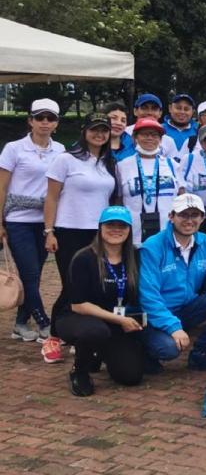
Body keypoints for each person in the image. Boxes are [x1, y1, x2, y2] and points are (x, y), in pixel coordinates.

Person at [43, 114, 121, 363]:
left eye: (104, 130)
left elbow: (112, 200)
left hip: (98, 233)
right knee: (71, 285)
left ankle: (84, 335)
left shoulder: (109, 163)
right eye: (95, 129)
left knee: (94, 286)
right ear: (85, 131)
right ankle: (54, 336)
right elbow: (51, 197)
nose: (100, 134)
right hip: (69, 230)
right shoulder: (66, 159)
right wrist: (49, 231)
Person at [138, 193, 206, 372]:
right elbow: (148, 296)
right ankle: (143, 350)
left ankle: (200, 354)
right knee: (168, 348)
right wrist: (173, 327)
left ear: (202, 218)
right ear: (171, 217)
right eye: (183, 215)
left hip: (187, 308)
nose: (189, 220)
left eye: (194, 215)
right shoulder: (152, 246)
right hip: (155, 314)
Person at [52, 206, 145, 396]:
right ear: (100, 227)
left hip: (112, 319)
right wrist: (119, 320)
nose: (116, 230)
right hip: (76, 316)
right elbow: (78, 305)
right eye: (110, 225)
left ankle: (98, 352)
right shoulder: (84, 258)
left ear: (129, 229)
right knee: (95, 330)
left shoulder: (134, 256)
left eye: (122, 225)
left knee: (131, 376)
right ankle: (80, 370)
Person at [0, 99, 65, 341]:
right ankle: (44, 322)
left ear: (56, 123)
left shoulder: (60, 151)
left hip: (46, 221)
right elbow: (2, 187)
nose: (45, 122)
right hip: (18, 219)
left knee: (35, 273)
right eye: (40, 117)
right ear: (30, 121)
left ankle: (19, 323)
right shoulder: (14, 149)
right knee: (29, 273)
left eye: (50, 118)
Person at [117, 118, 181, 247]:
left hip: (168, 236)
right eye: (145, 134)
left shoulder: (172, 165)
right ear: (135, 138)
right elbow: (118, 200)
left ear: (160, 139)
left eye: (154, 135)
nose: (150, 138)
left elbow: (181, 196)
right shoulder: (122, 166)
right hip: (134, 238)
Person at [163, 94, 198, 161]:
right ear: (170, 108)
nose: (182, 112)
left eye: (186, 109)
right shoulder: (159, 129)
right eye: (178, 108)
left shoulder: (198, 132)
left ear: (192, 112)